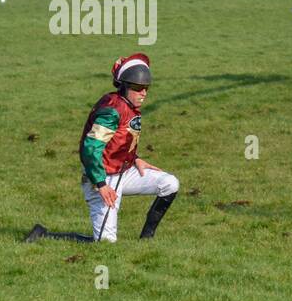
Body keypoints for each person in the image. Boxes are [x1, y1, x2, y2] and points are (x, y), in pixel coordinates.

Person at [24, 53, 179, 243]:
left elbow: (120, 139)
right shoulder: (112, 111)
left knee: (170, 184)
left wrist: (135, 158)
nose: (144, 93)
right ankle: (43, 235)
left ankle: (146, 240)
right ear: (124, 86)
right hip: (101, 177)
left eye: (146, 88)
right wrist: (101, 184)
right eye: (138, 88)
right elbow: (90, 149)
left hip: (123, 172)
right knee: (105, 243)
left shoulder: (127, 104)